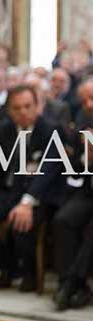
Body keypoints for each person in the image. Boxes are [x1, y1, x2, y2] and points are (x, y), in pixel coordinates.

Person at [0, 85, 66, 292]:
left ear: (37, 106)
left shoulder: (52, 130)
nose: (23, 112)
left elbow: (48, 172)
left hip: (39, 195)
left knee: (22, 223)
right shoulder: (2, 130)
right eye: (17, 108)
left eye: (28, 106)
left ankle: (30, 274)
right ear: (9, 110)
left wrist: (27, 202)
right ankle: (9, 268)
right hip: (8, 192)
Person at [52, 124, 93, 311]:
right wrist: (87, 157)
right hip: (87, 193)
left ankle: (70, 285)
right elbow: (73, 171)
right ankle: (73, 285)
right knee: (63, 220)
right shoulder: (85, 129)